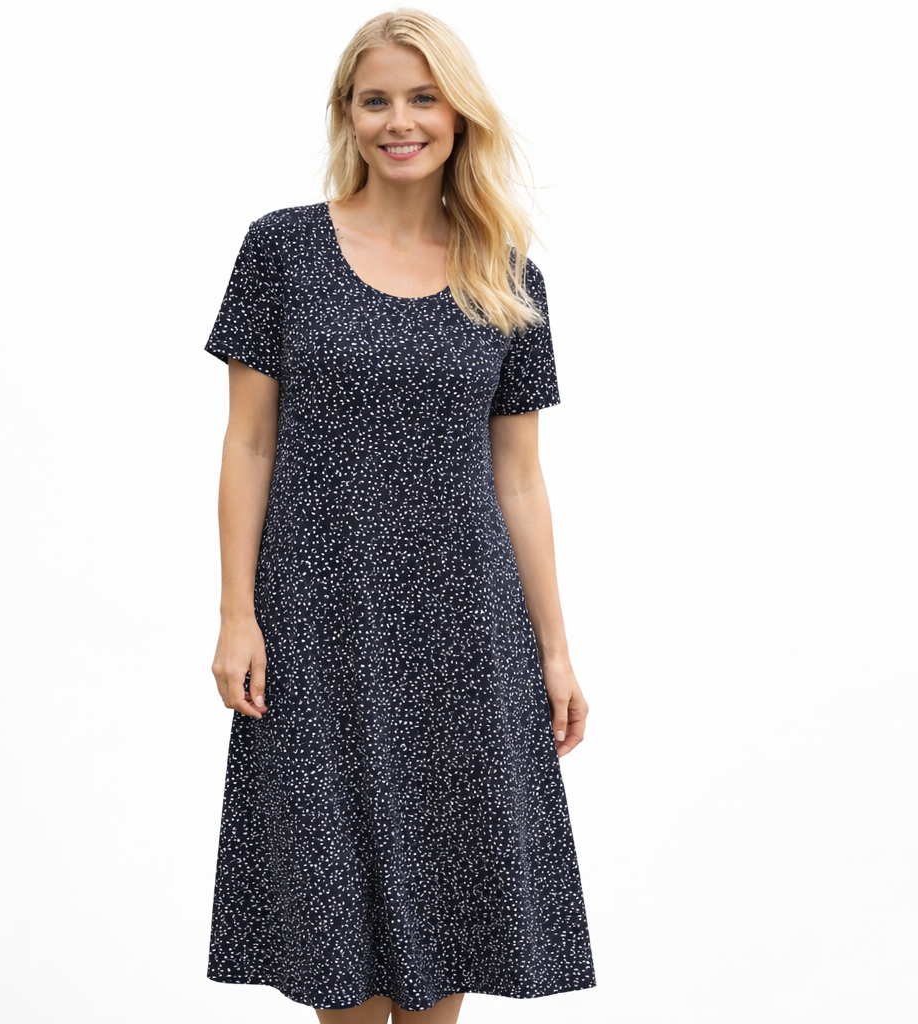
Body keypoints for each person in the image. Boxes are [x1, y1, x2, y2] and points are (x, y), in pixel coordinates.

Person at [204, 9, 595, 1023]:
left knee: (448, 914)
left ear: (460, 115)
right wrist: (237, 614)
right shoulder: (282, 250)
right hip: (317, 623)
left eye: (423, 98)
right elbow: (249, 443)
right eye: (375, 100)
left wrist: (553, 651)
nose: (400, 121)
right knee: (333, 933)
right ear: (348, 115)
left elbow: (520, 479)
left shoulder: (506, 273)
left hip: (464, 634)